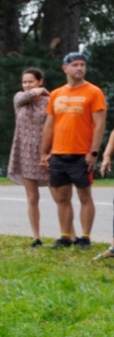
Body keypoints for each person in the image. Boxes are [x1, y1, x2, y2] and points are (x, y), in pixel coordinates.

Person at [42, 51, 108, 248]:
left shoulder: (94, 92)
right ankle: (65, 237)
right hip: (59, 153)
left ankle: (85, 238)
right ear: (65, 68)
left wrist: (93, 152)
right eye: (75, 65)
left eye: (82, 65)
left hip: (82, 154)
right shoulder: (56, 94)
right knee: (62, 197)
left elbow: (99, 125)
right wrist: (44, 152)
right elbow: (49, 125)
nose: (79, 68)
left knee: (84, 196)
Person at [10, 67, 52, 247]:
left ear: (40, 80)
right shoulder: (19, 99)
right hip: (25, 153)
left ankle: (69, 235)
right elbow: (25, 96)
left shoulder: (50, 101)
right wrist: (40, 90)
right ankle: (37, 237)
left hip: (47, 152)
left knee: (60, 196)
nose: (27, 85)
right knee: (32, 198)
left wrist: (51, 151)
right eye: (24, 82)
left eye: (31, 82)